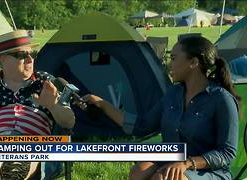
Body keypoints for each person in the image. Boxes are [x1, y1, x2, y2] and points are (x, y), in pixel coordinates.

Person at [81, 36, 239, 180]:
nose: (170, 64)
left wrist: (188, 163)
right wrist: (102, 104)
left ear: (193, 62)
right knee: (138, 172)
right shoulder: (173, 94)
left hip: (209, 171)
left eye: (174, 58)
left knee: (164, 178)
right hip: (172, 159)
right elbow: (142, 126)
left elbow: (227, 152)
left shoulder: (221, 99)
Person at [0, 30, 75, 179]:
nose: (30, 60)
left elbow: (69, 122)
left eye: (32, 54)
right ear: (3, 59)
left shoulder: (46, 83)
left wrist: (54, 105)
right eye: (21, 55)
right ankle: (3, 167)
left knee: (20, 153)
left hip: (34, 146)